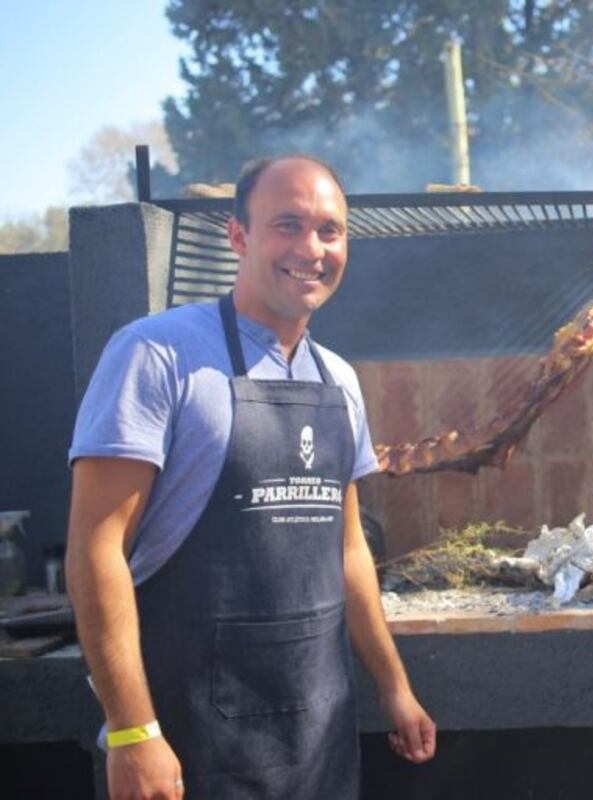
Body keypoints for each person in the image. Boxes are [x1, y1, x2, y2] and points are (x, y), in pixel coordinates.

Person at [65, 155, 436, 799]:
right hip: (187, 745)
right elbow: (96, 549)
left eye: (330, 230)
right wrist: (132, 732)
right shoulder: (156, 354)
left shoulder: (339, 381)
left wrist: (395, 688)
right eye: (287, 225)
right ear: (238, 236)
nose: (311, 249)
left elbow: (347, 552)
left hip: (319, 741)